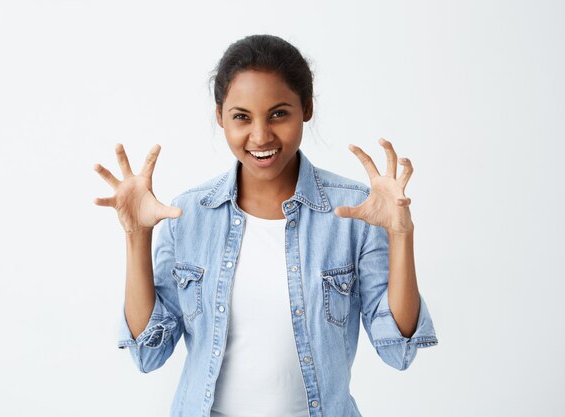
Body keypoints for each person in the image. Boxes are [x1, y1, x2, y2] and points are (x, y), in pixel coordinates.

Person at [93, 34, 438, 417]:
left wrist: (401, 235)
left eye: (279, 113)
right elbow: (148, 352)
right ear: (220, 115)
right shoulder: (186, 215)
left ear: (306, 108)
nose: (260, 136)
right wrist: (137, 236)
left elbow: (398, 348)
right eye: (242, 116)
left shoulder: (355, 212)